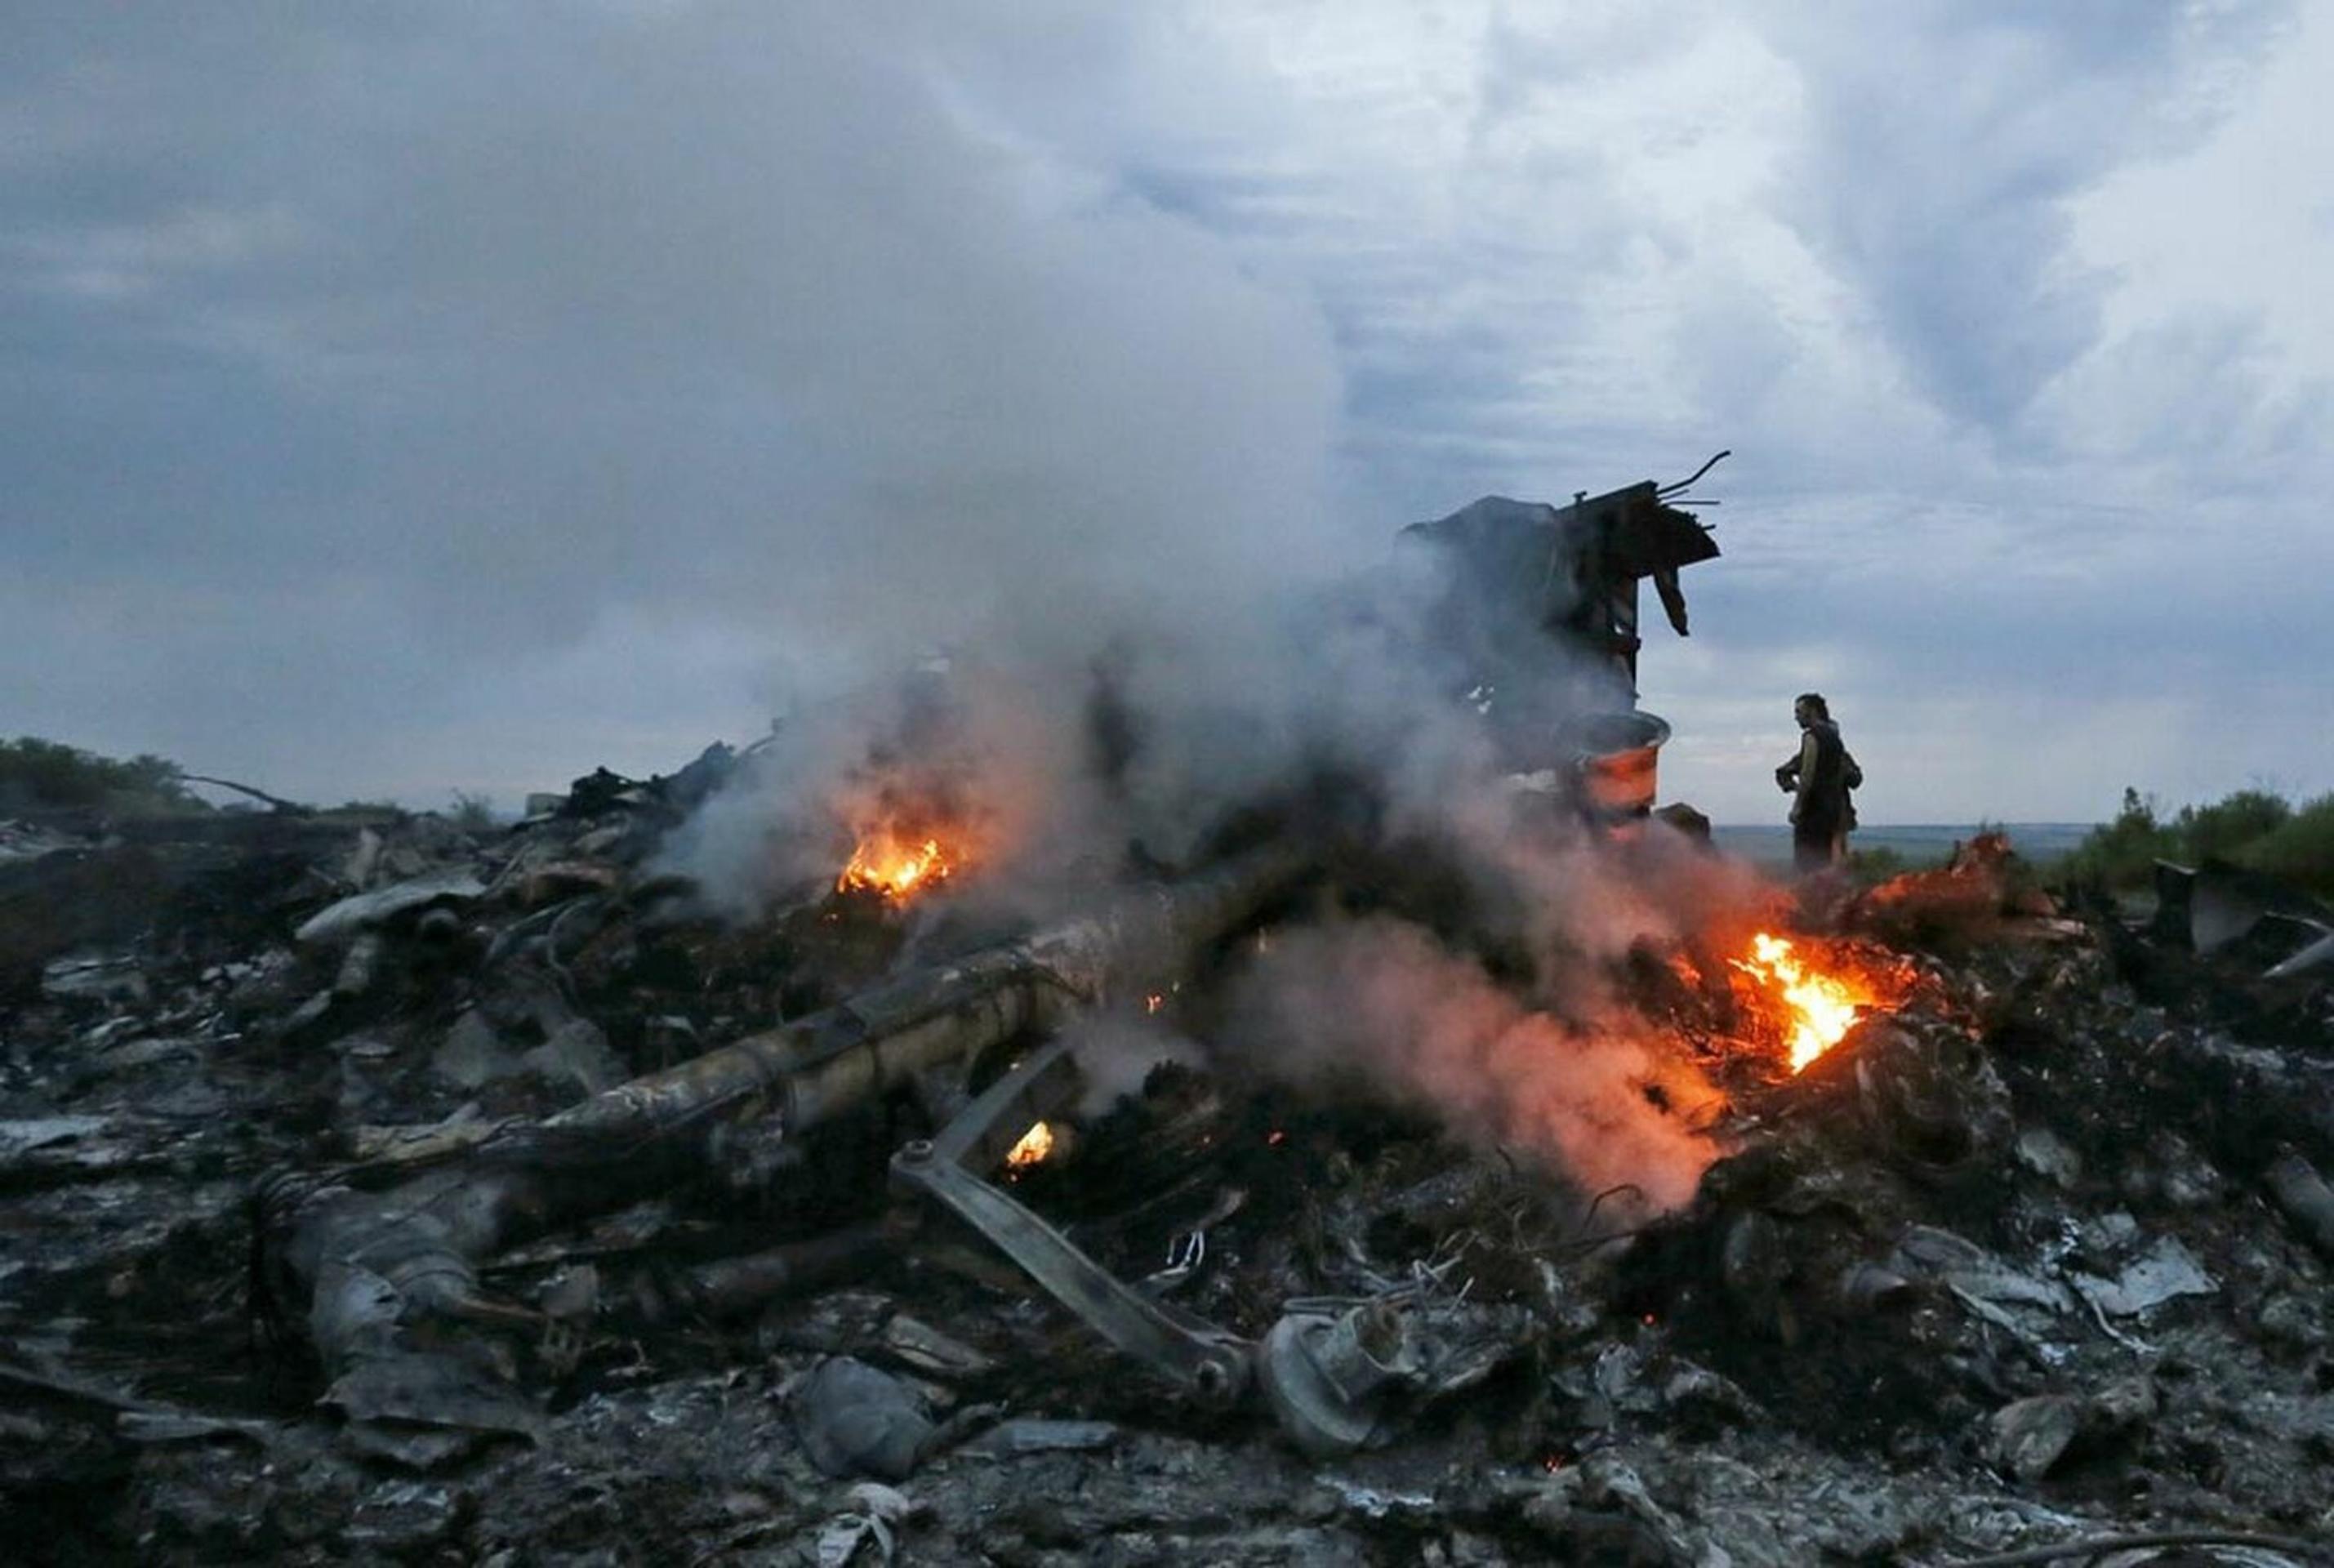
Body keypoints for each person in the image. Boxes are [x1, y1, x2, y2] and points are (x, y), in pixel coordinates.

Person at [1774, 693, 1860, 873]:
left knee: (1809, 869)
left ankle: (1813, 899)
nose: (1796, 717)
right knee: (1831, 869)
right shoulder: (1836, 743)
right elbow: (1855, 779)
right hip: (1835, 816)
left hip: (1814, 816)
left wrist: (1798, 806)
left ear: (1812, 711)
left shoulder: (1813, 737)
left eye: (1799, 711)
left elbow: (1807, 776)